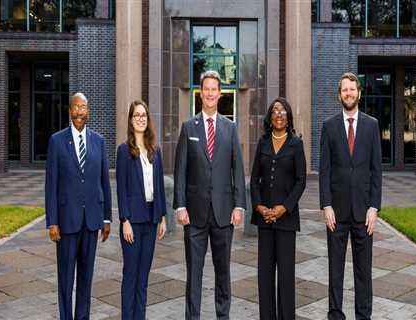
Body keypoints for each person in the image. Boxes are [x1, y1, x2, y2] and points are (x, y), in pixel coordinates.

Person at [173, 70, 246, 320]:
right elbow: (180, 169)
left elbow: (238, 168)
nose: (210, 93)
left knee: (223, 271)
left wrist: (239, 206)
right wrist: (180, 206)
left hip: (224, 213)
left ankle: (222, 316)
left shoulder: (230, 127)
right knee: (194, 272)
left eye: (214, 89)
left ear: (220, 93)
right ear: (201, 93)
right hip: (194, 214)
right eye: (206, 89)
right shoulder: (188, 127)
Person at [319, 72, 382, 320]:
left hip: (364, 212)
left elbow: (376, 170)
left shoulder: (372, 125)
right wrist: (326, 205)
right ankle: (335, 315)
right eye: (344, 90)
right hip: (337, 212)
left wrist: (374, 207)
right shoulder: (329, 126)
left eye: (352, 89)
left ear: (359, 93)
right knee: (335, 270)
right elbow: (324, 171)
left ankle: (363, 316)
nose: (348, 93)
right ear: (339, 95)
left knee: (363, 272)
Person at [45, 92, 112, 320]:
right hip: (66, 223)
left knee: (86, 277)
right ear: (69, 111)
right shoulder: (57, 141)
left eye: (83, 107)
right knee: (66, 279)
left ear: (89, 111)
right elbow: (51, 185)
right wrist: (52, 221)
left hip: (91, 221)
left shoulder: (99, 141)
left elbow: (104, 181)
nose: (79, 112)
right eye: (75, 107)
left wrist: (106, 218)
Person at [250, 97, 306, 319]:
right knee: (265, 274)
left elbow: (301, 180)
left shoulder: (296, 144)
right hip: (264, 219)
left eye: (283, 111)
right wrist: (259, 206)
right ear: (270, 117)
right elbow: (254, 180)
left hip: (286, 219)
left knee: (285, 275)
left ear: (288, 117)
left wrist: (285, 207)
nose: (279, 114)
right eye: (275, 111)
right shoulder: (262, 143)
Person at [116, 100, 167, 319]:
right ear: (130, 120)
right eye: (136, 115)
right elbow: (121, 188)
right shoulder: (123, 151)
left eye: (144, 115)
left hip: (150, 219)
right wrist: (124, 220)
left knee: (143, 277)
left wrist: (163, 217)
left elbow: (160, 186)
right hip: (132, 222)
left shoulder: (155, 150)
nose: (141, 118)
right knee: (131, 275)